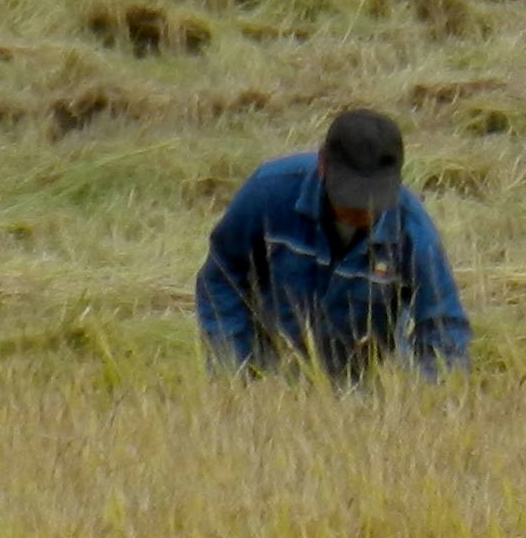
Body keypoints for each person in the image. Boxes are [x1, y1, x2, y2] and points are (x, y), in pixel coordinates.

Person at [197, 107, 471, 380]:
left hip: (362, 388)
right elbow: (221, 276)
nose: (362, 208)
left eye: (374, 196)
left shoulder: (413, 233)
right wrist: (233, 370)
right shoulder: (268, 194)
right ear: (322, 164)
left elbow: (443, 328)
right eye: (350, 193)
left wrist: (424, 395)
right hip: (268, 376)